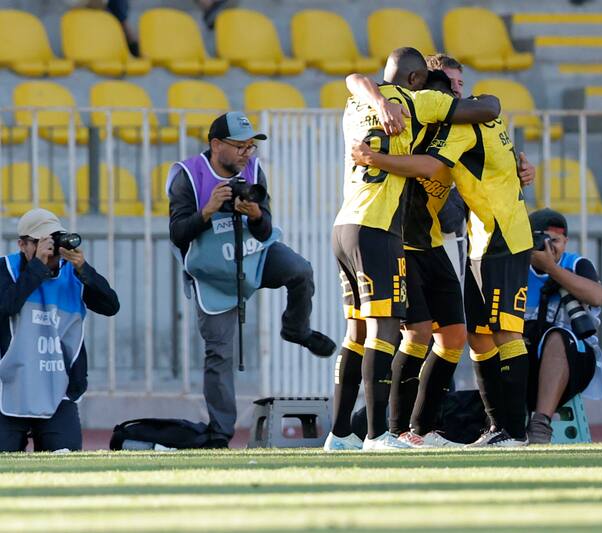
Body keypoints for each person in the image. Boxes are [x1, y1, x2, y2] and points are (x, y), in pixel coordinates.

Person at [324, 47, 501, 452]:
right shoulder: (420, 101)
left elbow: (353, 77)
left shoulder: (356, 103)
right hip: (380, 227)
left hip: (346, 222)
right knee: (386, 329)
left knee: (358, 331)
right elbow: (488, 109)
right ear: (420, 79)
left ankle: (340, 434)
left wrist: (379, 98)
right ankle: (376, 434)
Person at [350, 72, 534, 447]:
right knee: (462, 336)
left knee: (463, 334)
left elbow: (444, 161)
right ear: (426, 88)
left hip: (466, 240)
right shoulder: (411, 117)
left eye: (462, 85)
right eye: (451, 84)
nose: (459, 93)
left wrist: (376, 158)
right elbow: (355, 80)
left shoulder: (460, 124)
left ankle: (498, 431)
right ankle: (401, 429)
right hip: (403, 241)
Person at [167, 111, 335, 448]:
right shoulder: (186, 174)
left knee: (300, 270)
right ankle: (219, 434)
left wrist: (256, 215)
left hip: (253, 254)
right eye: (240, 146)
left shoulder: (254, 172)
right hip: (211, 267)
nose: (247, 154)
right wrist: (208, 211)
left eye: (250, 147)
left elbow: (266, 228)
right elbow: (177, 233)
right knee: (219, 352)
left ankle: (296, 329)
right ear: (216, 145)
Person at [0, 208, 119, 452]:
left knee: (64, 458)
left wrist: (84, 269)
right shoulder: (5, 270)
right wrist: (37, 268)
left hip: (58, 391)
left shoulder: (73, 274)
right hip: (8, 388)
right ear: (22, 244)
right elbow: (6, 305)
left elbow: (110, 306)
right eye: (42, 241)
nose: (50, 247)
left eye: (54, 239)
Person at [523, 209, 602, 444]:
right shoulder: (517, 266)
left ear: (566, 241)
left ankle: (540, 425)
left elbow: (597, 296)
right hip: (527, 357)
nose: (550, 248)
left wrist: (552, 270)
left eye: (556, 241)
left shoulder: (576, 264)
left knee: (558, 335)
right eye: (542, 241)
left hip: (575, 357)